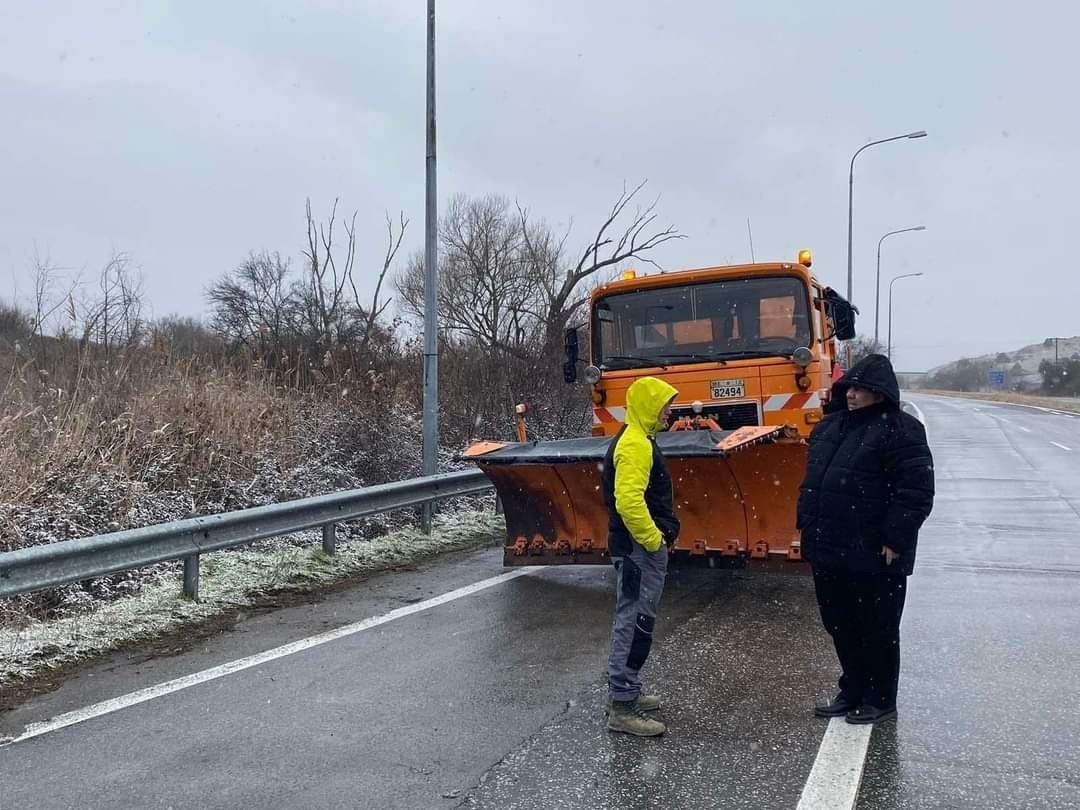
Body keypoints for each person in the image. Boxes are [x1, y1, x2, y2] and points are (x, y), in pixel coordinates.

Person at [796, 353, 935, 724]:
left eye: (861, 388)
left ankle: (880, 698)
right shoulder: (828, 428)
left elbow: (915, 491)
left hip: (876, 551)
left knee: (878, 628)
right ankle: (852, 689)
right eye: (850, 387)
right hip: (828, 546)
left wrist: (896, 537)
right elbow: (813, 483)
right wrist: (806, 527)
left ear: (880, 392)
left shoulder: (901, 430)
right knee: (838, 623)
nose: (853, 394)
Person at [601, 376, 680, 737]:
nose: (670, 410)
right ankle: (623, 705)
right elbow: (629, 502)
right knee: (636, 623)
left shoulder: (639, 439)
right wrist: (654, 541)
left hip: (634, 549)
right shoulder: (635, 445)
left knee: (634, 620)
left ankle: (626, 689)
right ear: (650, 405)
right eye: (665, 403)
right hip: (638, 551)